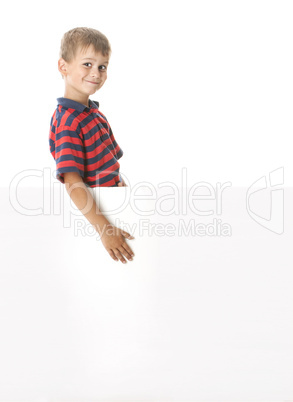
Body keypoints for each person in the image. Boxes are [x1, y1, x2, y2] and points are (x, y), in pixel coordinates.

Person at [49, 27, 135, 264]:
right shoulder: (68, 120)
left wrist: (127, 197)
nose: (96, 73)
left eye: (102, 66)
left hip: (116, 209)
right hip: (99, 217)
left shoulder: (94, 114)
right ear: (63, 67)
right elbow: (73, 183)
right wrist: (106, 230)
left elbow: (112, 166)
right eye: (87, 64)